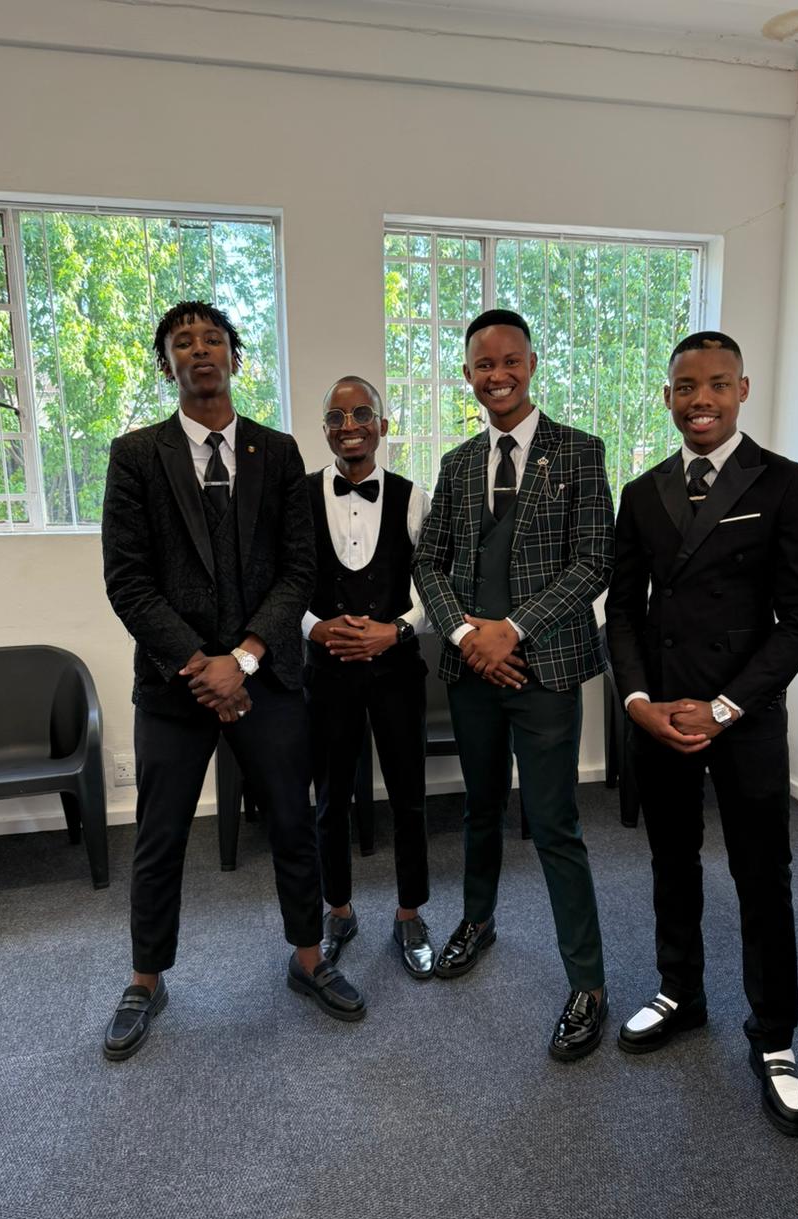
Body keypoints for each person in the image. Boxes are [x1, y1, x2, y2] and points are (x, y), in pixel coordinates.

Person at [100, 301, 365, 1060]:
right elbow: (128, 581)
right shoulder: (135, 455)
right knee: (159, 837)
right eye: (182, 342)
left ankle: (308, 957)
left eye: (212, 339)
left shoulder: (276, 453)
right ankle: (146, 979)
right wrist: (202, 666)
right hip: (173, 685)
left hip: (266, 678)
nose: (199, 350)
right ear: (167, 366)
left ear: (233, 357)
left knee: (292, 821)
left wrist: (242, 660)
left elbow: (299, 570)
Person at [605, 331, 798, 1136]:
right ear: (667, 395)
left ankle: (775, 1037)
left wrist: (726, 707)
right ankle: (681, 991)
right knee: (671, 860)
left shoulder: (787, 483)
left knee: (763, 876)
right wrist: (638, 700)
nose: (700, 399)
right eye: (685, 386)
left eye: (717, 384)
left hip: (745, 715)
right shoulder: (643, 491)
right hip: (662, 715)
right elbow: (623, 610)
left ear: (742, 390)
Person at [412, 308, 614, 1060]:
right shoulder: (458, 463)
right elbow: (428, 562)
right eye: (482, 365)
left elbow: (594, 561)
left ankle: (588, 984)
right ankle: (478, 919)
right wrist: (469, 638)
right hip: (472, 673)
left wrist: (514, 629)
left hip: (544, 671)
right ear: (468, 374)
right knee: (480, 806)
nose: (496, 375)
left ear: (531, 364)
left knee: (555, 825)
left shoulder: (580, 452)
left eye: (509, 361)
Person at [302, 375, 434, 979]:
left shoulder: (413, 496)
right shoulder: (299, 496)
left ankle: (410, 914)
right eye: (337, 417)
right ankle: (338, 910)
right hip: (326, 674)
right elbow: (284, 581)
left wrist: (395, 630)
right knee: (330, 798)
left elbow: (433, 587)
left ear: (382, 425)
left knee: (408, 795)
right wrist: (314, 628)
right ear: (325, 429)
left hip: (396, 671)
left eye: (361, 414)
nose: (349, 426)